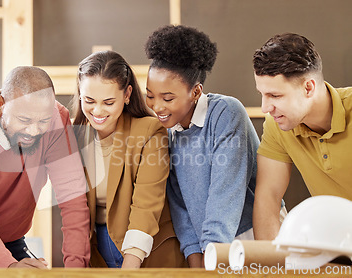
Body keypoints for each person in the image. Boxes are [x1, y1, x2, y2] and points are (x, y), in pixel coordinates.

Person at [0, 66, 90, 268]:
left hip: (11, 237)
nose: (34, 131)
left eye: (43, 121)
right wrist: (9, 267)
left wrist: (76, 269)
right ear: (2, 105)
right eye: (24, 120)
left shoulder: (56, 119)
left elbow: (73, 199)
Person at [144, 25, 259, 267]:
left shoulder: (226, 114)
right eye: (150, 95)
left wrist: (212, 257)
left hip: (252, 238)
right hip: (208, 249)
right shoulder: (166, 130)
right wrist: (195, 261)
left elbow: (225, 194)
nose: (157, 107)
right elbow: (179, 205)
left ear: (196, 92)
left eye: (168, 98)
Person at [72, 50, 185, 268]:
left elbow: (146, 204)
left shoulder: (150, 131)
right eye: (89, 100)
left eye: (108, 102)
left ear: (127, 94)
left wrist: (129, 269)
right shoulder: (74, 138)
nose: (97, 110)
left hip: (147, 252)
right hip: (99, 254)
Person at [252, 33, 352, 240]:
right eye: (262, 94)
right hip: (337, 245)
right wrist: (272, 267)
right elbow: (268, 199)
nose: (265, 107)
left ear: (308, 88)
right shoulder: (277, 125)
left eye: (275, 95)